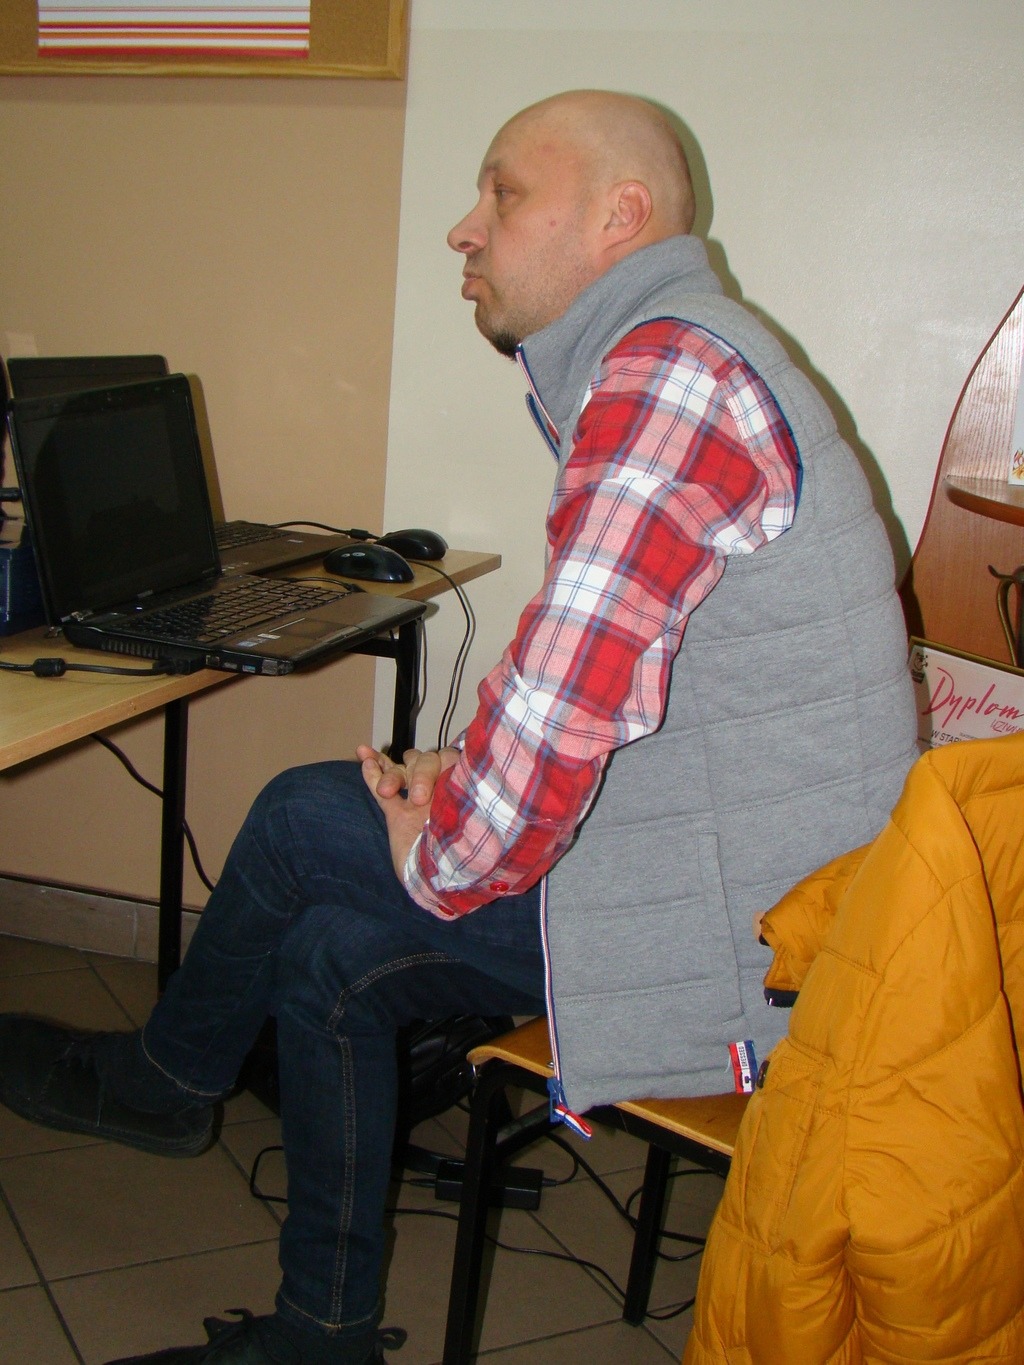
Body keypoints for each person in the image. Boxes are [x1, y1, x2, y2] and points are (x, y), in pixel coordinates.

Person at [0, 90, 917, 1364]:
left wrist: (439, 842)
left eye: (503, 193)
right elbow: (610, 682)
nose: (463, 228)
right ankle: (320, 1334)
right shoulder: (692, 356)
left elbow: (558, 709)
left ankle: (163, 1084)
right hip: (770, 905)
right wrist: (465, 773)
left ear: (619, 217)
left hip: (746, 950)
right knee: (330, 950)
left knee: (303, 818)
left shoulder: (669, 379)